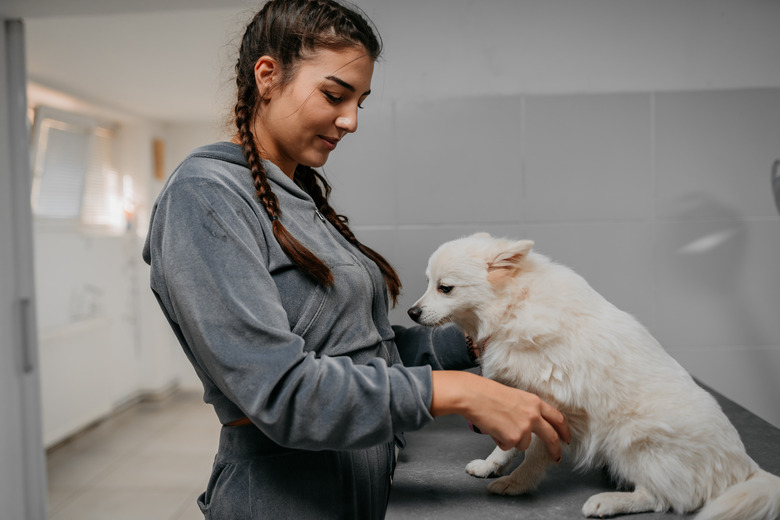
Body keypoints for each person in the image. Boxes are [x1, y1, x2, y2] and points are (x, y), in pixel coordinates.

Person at [142, 0, 570, 518]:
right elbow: (283, 393)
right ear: (268, 75)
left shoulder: (297, 198)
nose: (351, 120)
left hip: (360, 479)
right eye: (334, 95)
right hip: (286, 497)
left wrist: (482, 340)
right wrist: (455, 392)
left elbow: (364, 350)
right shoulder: (205, 196)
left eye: (360, 102)